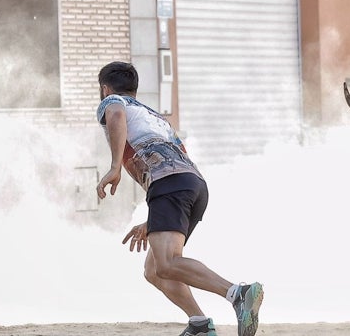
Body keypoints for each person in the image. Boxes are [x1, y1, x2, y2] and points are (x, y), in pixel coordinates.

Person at [95, 61, 263, 336]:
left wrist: (115, 167)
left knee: (168, 263)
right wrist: (153, 219)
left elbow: (114, 115)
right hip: (192, 185)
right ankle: (199, 323)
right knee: (155, 269)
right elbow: (178, 158)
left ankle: (237, 294)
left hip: (170, 185)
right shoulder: (157, 118)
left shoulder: (112, 101)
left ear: (105, 88)